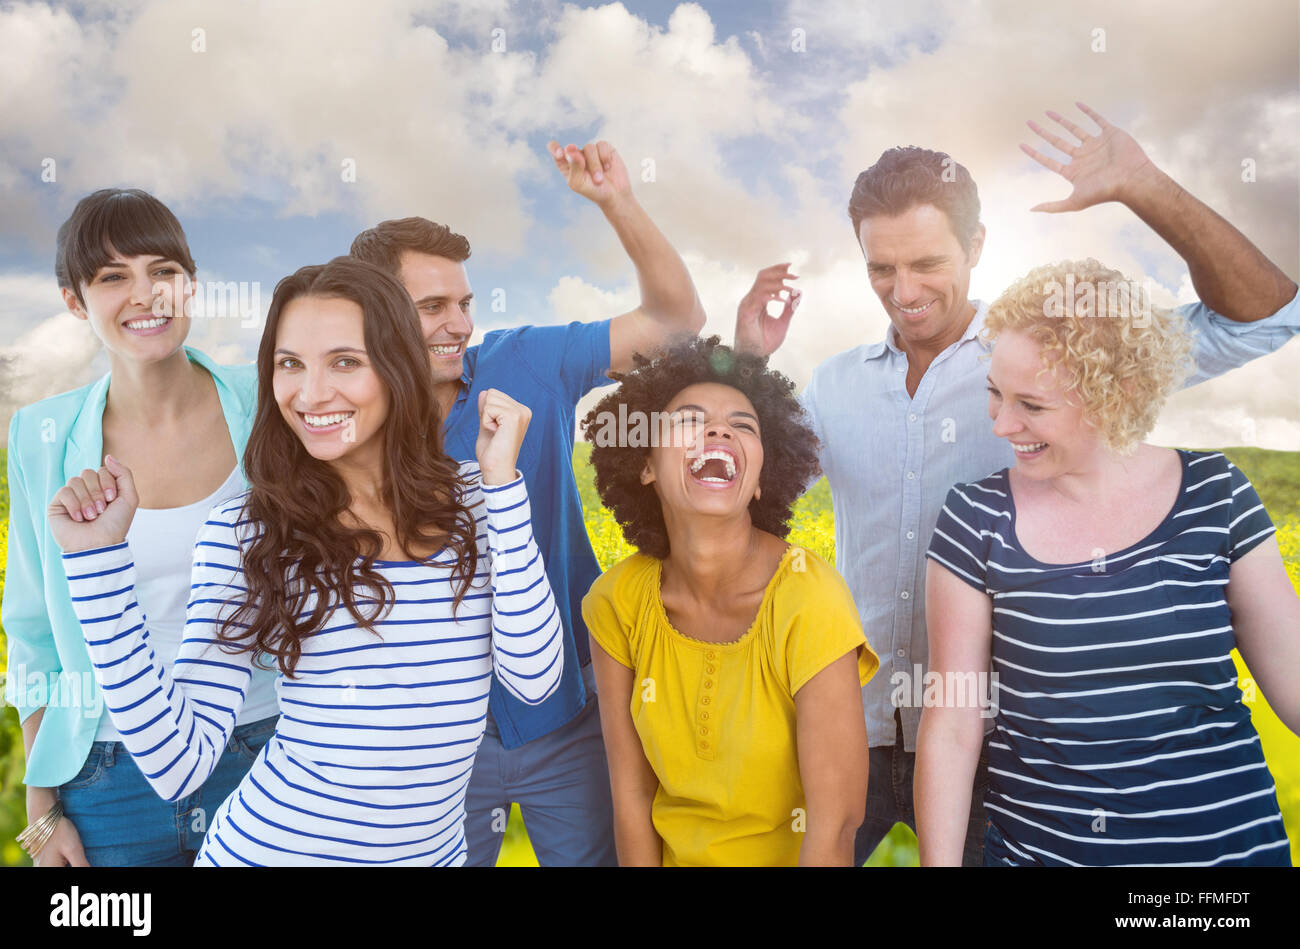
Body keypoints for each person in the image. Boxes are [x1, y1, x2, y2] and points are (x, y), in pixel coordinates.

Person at [734, 103, 1300, 866]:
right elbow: (743, 490)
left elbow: (1263, 321)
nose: (902, 291)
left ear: (976, 244)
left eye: (927, 262)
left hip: (1003, 754)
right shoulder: (833, 387)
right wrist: (744, 364)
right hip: (850, 724)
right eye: (881, 267)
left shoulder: (1059, 353)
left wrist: (1145, 187)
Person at [46, 256, 563, 866]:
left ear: (397, 368)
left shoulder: (478, 499)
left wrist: (504, 487)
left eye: (345, 361)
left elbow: (534, 681)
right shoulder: (248, 532)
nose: (310, 393)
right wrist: (96, 567)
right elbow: (176, 764)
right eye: (290, 364)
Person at [348, 138, 707, 866]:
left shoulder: (526, 362)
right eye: (433, 307)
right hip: (438, 745)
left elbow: (675, 323)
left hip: (569, 718)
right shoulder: (344, 431)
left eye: (465, 303)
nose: (460, 323)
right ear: (374, 315)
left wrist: (617, 202)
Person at [918, 259, 1299, 866]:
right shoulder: (976, 517)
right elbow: (954, 723)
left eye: (1032, 405)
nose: (1001, 424)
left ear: (1116, 394)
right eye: (994, 393)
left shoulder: (1216, 494)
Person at [4, 188, 279, 866]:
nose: (146, 294)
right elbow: (33, 631)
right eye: (111, 277)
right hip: (105, 778)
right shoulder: (42, 435)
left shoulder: (270, 399)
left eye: (163, 271)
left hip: (267, 751)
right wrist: (42, 811)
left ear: (191, 284)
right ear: (75, 300)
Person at [579, 336, 878, 866]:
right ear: (645, 466)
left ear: (761, 477)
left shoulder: (811, 596)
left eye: (743, 425)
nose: (719, 430)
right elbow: (631, 796)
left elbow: (835, 825)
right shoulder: (616, 602)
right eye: (690, 420)